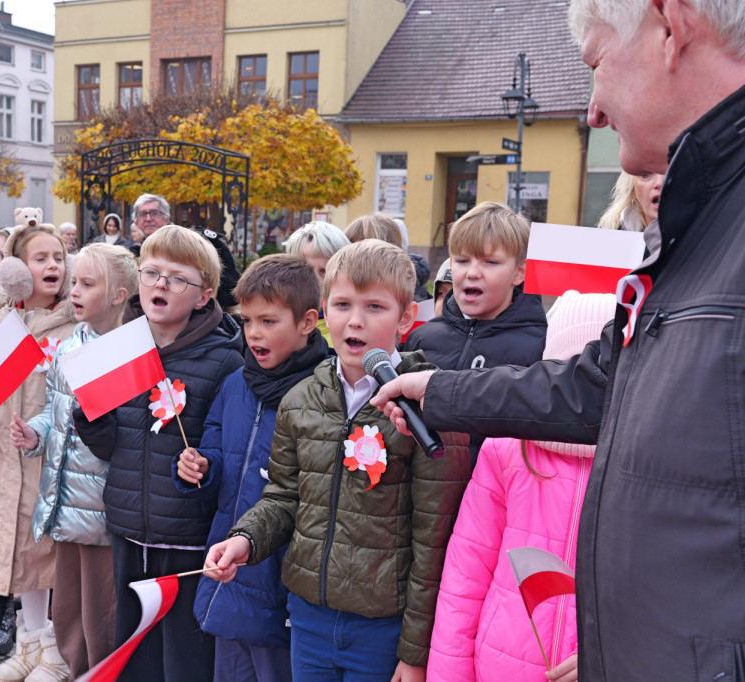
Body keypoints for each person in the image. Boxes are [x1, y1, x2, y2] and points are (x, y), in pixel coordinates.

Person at [371, 2, 745, 678]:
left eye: (597, 63)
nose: (593, 110)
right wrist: (443, 392)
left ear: (670, 27)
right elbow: (599, 386)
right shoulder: (703, 222)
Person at [205, 240, 470, 682]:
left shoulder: (430, 406)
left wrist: (416, 651)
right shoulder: (301, 400)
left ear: (406, 317)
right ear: (325, 310)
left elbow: (435, 541)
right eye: (343, 304)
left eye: (375, 307)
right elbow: (284, 496)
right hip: (309, 618)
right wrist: (246, 539)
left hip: (383, 630)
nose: (355, 320)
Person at [74, 225, 243, 682]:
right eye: (151, 273)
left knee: (184, 656)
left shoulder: (224, 360)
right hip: (130, 526)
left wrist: (203, 465)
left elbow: (228, 448)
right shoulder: (121, 347)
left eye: (177, 278)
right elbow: (110, 447)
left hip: (187, 536)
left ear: (204, 295)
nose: (160, 284)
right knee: (135, 650)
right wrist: (89, 419)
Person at [427, 291, 615, 682]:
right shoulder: (506, 448)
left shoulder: (642, 467)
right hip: (499, 668)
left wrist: (614, 656)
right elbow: (465, 576)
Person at [172, 253, 328, 682]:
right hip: (229, 567)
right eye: (246, 321)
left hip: (281, 577)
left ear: (307, 322)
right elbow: (217, 451)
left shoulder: (324, 392)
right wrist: (202, 467)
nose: (254, 332)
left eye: (268, 321)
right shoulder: (235, 384)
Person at [0, 225, 77, 681]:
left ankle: (57, 653)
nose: (52, 265)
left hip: (55, 468)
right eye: (40, 258)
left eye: (58, 257)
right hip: (4, 469)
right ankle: (30, 644)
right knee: (21, 563)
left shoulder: (78, 327)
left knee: (55, 564)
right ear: (17, 270)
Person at [10, 243, 139, 678]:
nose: (75, 292)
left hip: (103, 509)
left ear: (119, 295)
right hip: (65, 502)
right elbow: (55, 410)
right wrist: (36, 433)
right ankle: (72, 667)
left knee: (101, 615)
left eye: (88, 284)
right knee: (67, 609)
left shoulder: (131, 351)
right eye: (74, 282)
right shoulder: (70, 344)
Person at [403, 202, 546, 371]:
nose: (472, 273)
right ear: (451, 265)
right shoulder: (421, 339)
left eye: (490, 262)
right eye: (462, 261)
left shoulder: (541, 349)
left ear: (519, 272)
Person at [283, 221, 350, 345]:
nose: (313, 281)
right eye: (303, 270)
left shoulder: (350, 336)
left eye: (325, 271)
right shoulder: (275, 323)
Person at [597, 170, 664, 232]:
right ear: (633, 190)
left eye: (669, 174)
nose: (660, 183)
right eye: (645, 174)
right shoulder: (610, 237)